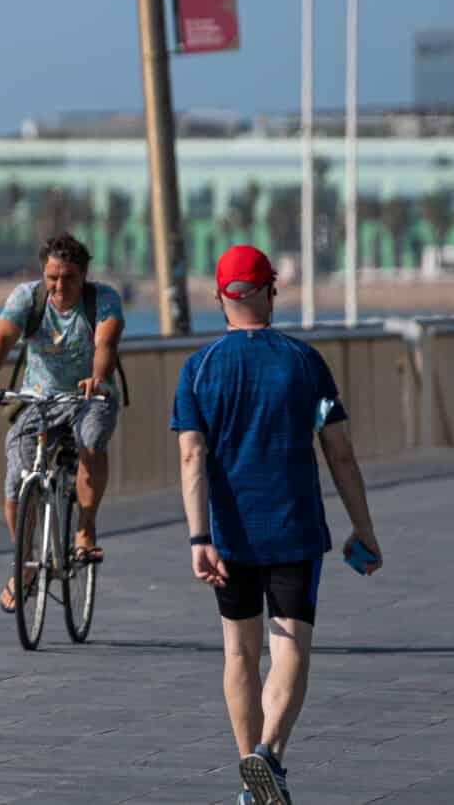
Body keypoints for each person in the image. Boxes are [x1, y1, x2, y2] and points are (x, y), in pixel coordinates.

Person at [171, 244, 383, 805]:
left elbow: (192, 457)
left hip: (229, 536)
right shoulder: (305, 363)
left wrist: (199, 537)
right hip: (294, 531)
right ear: (272, 291)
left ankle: (250, 778)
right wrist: (364, 529)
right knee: (290, 649)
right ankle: (269, 755)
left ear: (220, 297)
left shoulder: (200, 369)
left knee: (239, 654)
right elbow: (340, 453)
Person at [0, 233, 124, 613]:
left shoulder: (102, 300)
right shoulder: (27, 298)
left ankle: (84, 527)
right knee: (17, 479)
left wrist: (97, 378)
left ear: (83, 275)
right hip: (40, 398)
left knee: (91, 440)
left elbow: (106, 344)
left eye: (68, 278)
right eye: (52, 277)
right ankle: (25, 564)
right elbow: (2, 339)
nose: (58, 286)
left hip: (89, 395)